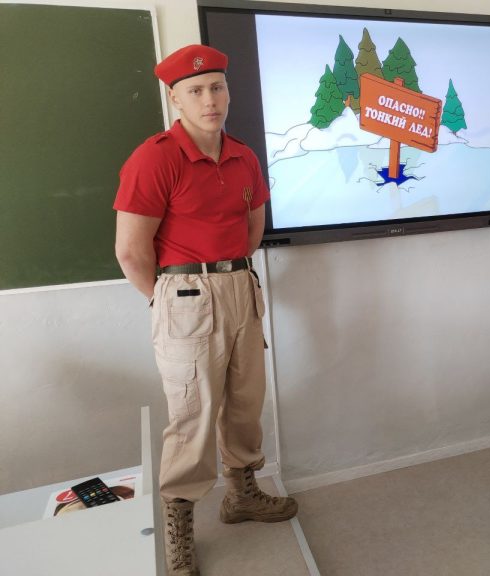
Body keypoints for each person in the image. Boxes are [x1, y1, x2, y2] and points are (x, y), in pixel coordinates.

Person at [114, 44, 297, 576]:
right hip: (185, 297)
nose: (209, 100)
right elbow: (131, 251)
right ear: (176, 99)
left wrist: (230, 277)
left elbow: (253, 227)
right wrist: (166, 302)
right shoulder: (155, 158)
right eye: (195, 91)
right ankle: (179, 528)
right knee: (192, 416)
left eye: (217, 87)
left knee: (245, 402)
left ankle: (241, 496)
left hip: (240, 283)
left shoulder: (243, 155)